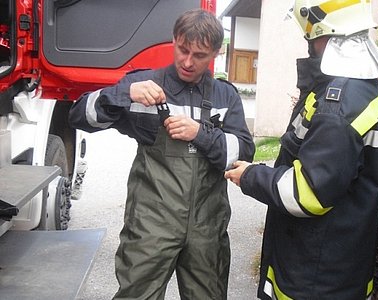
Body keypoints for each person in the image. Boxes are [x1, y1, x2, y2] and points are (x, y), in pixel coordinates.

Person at [69, 8, 255, 300]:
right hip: (150, 227)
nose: (188, 62)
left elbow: (243, 153)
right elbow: (79, 115)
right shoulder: (143, 84)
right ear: (174, 41)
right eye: (182, 50)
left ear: (216, 54)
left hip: (207, 229)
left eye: (200, 55)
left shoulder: (225, 96)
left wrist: (201, 133)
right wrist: (123, 95)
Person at [225, 0, 378, 299]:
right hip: (335, 267)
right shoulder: (357, 87)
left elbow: (309, 195)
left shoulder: (337, 105)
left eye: (310, 39)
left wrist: (251, 175)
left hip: (315, 278)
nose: (309, 46)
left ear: (325, 35)